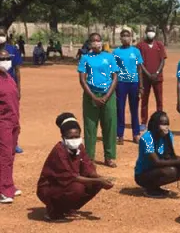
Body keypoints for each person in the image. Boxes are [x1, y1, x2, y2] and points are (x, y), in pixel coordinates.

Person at [37, 113, 114, 221]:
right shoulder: (59, 151)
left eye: (77, 136)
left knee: (95, 184)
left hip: (69, 184)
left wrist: (101, 179)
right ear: (63, 137)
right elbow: (72, 177)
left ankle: (68, 208)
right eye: (70, 137)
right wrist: (98, 180)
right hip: (50, 188)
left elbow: (88, 168)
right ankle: (54, 212)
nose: (74, 139)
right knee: (78, 188)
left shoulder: (80, 147)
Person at [77, 33, 119, 167]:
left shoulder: (109, 57)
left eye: (98, 40)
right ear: (89, 44)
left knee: (110, 126)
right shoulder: (85, 58)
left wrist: (106, 96)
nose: (96, 43)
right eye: (93, 41)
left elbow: (115, 77)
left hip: (108, 94)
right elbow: (82, 80)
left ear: (102, 42)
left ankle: (110, 157)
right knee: (90, 127)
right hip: (91, 95)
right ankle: (89, 158)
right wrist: (93, 97)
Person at [134, 111, 180, 198]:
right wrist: (179, 161)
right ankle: (150, 189)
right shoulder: (146, 138)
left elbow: (169, 157)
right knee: (172, 170)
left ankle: (155, 187)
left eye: (167, 124)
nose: (166, 127)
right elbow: (156, 162)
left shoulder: (168, 135)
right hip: (143, 175)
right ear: (155, 125)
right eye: (163, 124)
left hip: (156, 169)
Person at [112, 29, 144, 145]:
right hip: (120, 83)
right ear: (120, 38)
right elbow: (113, 70)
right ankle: (119, 135)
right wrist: (113, 85)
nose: (125, 38)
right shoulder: (116, 52)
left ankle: (136, 134)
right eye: (123, 36)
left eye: (127, 36)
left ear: (131, 38)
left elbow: (139, 69)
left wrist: (141, 86)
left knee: (134, 109)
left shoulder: (136, 51)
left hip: (134, 83)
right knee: (120, 109)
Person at [137, 26, 167, 131]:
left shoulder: (159, 45)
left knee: (159, 100)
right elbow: (139, 63)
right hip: (145, 79)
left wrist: (157, 72)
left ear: (155, 33)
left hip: (158, 78)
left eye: (152, 31)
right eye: (149, 31)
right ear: (145, 32)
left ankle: (160, 120)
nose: (150, 33)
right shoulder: (140, 45)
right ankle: (143, 122)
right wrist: (148, 74)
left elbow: (163, 61)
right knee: (144, 101)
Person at [0, 49, 20, 204]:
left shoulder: (8, 76)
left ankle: (9, 184)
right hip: (2, 123)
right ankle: (3, 189)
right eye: (2, 58)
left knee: (11, 155)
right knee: (4, 156)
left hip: (13, 121)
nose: (5, 61)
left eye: (7, 58)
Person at [0, 28, 23, 155]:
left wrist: (18, 88)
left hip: (10, 87)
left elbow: (17, 70)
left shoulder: (13, 50)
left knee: (13, 115)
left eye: (2, 34)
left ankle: (14, 143)